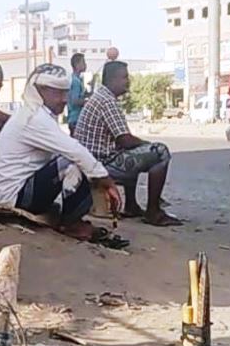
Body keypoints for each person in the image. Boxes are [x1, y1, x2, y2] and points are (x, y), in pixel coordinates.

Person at [0, 64, 126, 248]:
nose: (64, 99)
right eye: (58, 93)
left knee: (80, 161)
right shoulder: (35, 119)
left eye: (65, 93)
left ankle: (71, 218)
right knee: (74, 160)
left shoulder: (33, 114)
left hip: (16, 191)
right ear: (40, 91)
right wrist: (106, 181)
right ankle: (71, 224)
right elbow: (74, 150)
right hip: (15, 196)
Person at [75, 61, 181, 226]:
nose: (128, 81)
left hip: (92, 160)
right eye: (124, 77)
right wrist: (147, 144)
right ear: (112, 79)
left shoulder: (101, 97)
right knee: (160, 152)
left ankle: (132, 206)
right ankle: (153, 212)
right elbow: (125, 140)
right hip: (99, 164)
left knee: (135, 153)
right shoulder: (107, 101)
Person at [67, 53, 88, 136]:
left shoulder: (76, 79)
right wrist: (88, 103)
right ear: (77, 65)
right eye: (83, 62)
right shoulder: (75, 81)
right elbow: (75, 101)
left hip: (74, 119)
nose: (85, 65)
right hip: (76, 119)